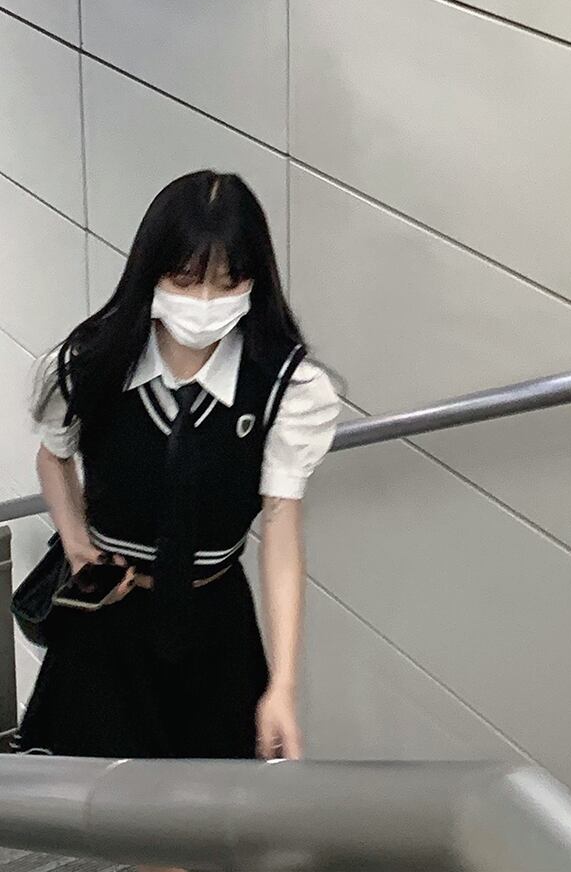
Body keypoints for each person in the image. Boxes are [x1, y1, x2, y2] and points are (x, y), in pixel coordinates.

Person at [13, 170, 339, 872]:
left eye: (227, 281)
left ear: (255, 280)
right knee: (109, 820)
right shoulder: (89, 362)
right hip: (109, 626)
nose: (205, 303)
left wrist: (282, 684)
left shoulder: (286, 386)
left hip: (214, 621)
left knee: (208, 823)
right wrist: (78, 548)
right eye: (186, 279)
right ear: (151, 271)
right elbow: (53, 455)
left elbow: (282, 530)